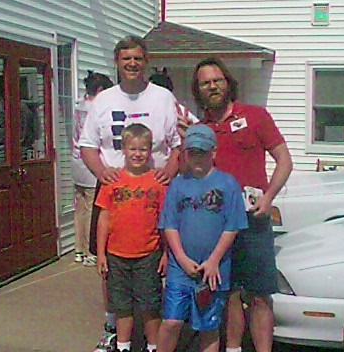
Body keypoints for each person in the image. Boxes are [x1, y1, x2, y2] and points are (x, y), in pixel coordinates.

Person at [79, 35, 181, 352]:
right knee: (111, 263)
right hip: (115, 191)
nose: (132, 64)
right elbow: (87, 147)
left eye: (137, 58)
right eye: (126, 59)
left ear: (145, 61)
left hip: (155, 191)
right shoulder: (103, 100)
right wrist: (101, 173)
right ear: (117, 62)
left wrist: (171, 170)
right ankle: (113, 328)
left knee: (156, 259)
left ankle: (158, 332)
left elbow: (177, 145)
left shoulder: (163, 97)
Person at [188, 57, 293, 352]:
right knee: (229, 294)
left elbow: (284, 160)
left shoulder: (256, 116)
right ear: (198, 90)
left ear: (228, 82)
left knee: (259, 296)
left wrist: (269, 196)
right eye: (205, 83)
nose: (213, 86)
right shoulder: (200, 131)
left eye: (217, 80)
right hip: (217, 227)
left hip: (253, 220)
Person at [157, 124, 247, 352]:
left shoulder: (228, 184)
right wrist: (181, 259)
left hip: (213, 269)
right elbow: (170, 225)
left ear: (213, 152)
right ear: (185, 153)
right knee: (171, 322)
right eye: (192, 152)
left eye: (203, 152)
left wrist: (215, 259)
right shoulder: (177, 184)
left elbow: (232, 225)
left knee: (208, 326)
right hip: (181, 266)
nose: (197, 157)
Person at [95, 123, 167, 352]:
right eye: (133, 149)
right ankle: (123, 346)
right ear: (123, 149)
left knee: (150, 305)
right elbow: (103, 219)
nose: (138, 154)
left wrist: (166, 253)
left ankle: (153, 346)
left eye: (143, 149)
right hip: (116, 255)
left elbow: (165, 223)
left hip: (148, 255)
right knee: (122, 305)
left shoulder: (157, 183)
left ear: (150, 150)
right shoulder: (111, 182)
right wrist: (100, 254)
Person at [71, 71, 114, 266]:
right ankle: (90, 250)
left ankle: (78, 249)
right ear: (100, 90)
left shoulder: (79, 106)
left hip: (75, 161)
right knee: (92, 208)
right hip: (89, 163)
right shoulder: (95, 108)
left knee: (79, 208)